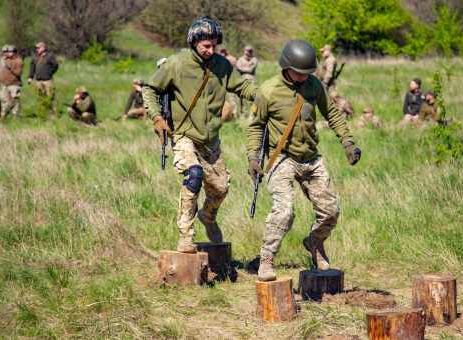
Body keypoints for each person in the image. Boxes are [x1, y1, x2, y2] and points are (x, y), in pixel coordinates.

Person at [247, 39, 361, 282]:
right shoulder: (268, 91)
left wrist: (347, 142)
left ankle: (315, 242)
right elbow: (256, 127)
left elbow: (332, 113)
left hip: (311, 157)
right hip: (282, 158)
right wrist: (253, 157)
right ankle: (266, 259)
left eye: (306, 73)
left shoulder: (314, 85)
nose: (303, 77)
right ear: (286, 67)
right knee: (284, 212)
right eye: (299, 73)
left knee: (330, 212)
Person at [142, 17, 256, 253]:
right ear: (194, 42)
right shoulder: (176, 64)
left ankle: (208, 216)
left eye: (214, 45)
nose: (210, 50)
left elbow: (241, 87)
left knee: (221, 189)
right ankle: (186, 235)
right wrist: (157, 118)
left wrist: (265, 97)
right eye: (205, 45)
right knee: (193, 175)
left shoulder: (222, 65)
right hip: (184, 134)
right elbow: (150, 89)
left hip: (211, 140)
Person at [28, 41, 59, 116]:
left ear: (44, 48)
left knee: (50, 97)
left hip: (48, 81)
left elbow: (55, 65)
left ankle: (53, 114)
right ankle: (43, 113)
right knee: (41, 98)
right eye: (36, 48)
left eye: (38, 48)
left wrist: (50, 72)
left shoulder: (50, 56)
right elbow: (32, 67)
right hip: (38, 81)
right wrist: (30, 77)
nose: (37, 49)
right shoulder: (35, 57)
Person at [0, 45, 23, 119]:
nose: (8, 53)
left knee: (15, 101)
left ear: (14, 52)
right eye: (7, 51)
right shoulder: (5, 60)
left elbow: (19, 73)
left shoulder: (18, 60)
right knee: (3, 100)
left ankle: (15, 116)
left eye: (10, 51)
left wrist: (9, 67)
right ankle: (3, 115)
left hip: (14, 84)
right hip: (4, 84)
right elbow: (0, 70)